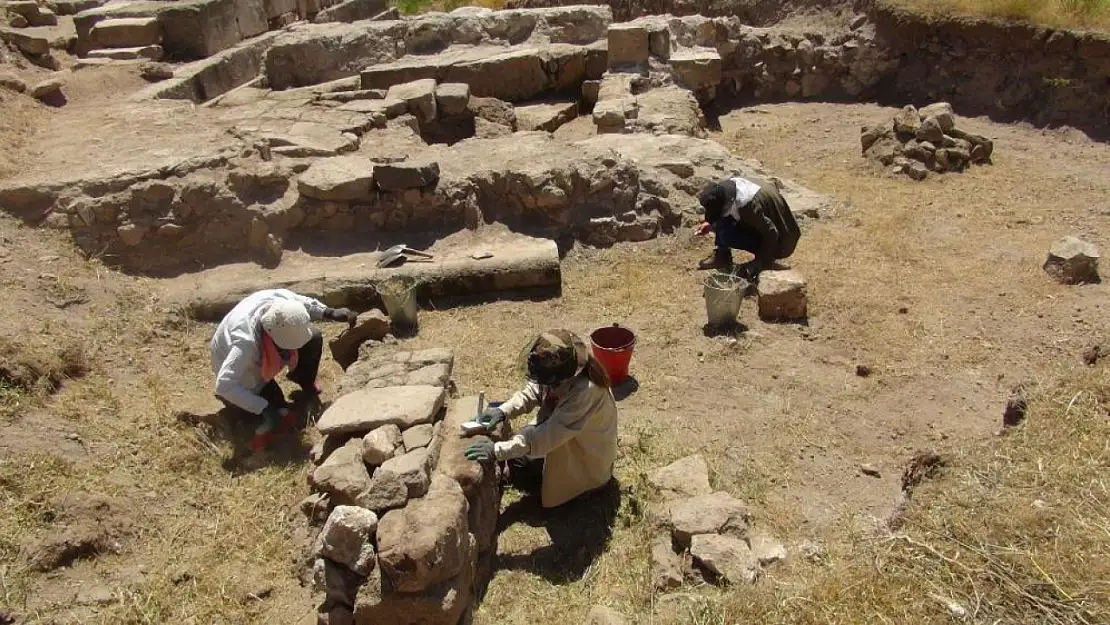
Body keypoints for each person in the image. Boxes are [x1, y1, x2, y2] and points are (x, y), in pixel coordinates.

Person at [463, 329, 618, 509]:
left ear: (561, 376)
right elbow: (533, 391)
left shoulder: (586, 392)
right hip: (564, 440)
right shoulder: (560, 372)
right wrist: (502, 411)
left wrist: (496, 450)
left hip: (584, 463)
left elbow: (546, 437)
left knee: (520, 467)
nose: (544, 384)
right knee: (517, 459)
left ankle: (584, 494)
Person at [210, 289, 357, 450]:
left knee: (313, 338)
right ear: (271, 336)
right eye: (284, 348)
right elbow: (224, 385)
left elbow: (301, 302)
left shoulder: (280, 301)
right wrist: (263, 407)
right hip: (243, 375)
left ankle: (304, 381)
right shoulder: (245, 344)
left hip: (259, 354)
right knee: (271, 412)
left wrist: (328, 312)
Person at [695, 175, 801, 278]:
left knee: (726, 235)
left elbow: (772, 233)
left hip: (783, 241)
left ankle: (766, 261)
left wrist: (760, 261)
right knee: (723, 224)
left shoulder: (747, 207)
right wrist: (710, 223)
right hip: (764, 223)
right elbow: (719, 209)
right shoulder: (727, 190)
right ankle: (722, 256)